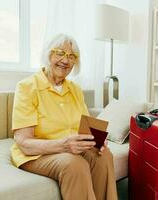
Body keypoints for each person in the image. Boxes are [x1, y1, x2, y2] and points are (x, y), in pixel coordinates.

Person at [10, 34, 118, 200]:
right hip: (37, 154)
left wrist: (97, 139)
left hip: (70, 148)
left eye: (72, 56)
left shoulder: (75, 89)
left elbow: (86, 128)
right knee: (75, 165)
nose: (66, 61)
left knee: (103, 156)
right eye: (60, 53)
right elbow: (24, 143)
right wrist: (64, 145)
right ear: (48, 55)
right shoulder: (27, 87)